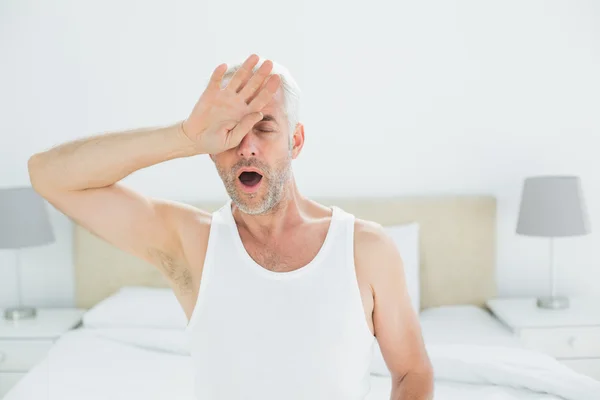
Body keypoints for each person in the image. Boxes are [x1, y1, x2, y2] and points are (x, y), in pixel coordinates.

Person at [28, 53, 434, 400]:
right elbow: (48, 176)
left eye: (264, 127)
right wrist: (186, 136)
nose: (247, 146)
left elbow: (411, 373)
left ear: (296, 141)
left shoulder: (365, 248)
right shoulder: (192, 242)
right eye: (230, 131)